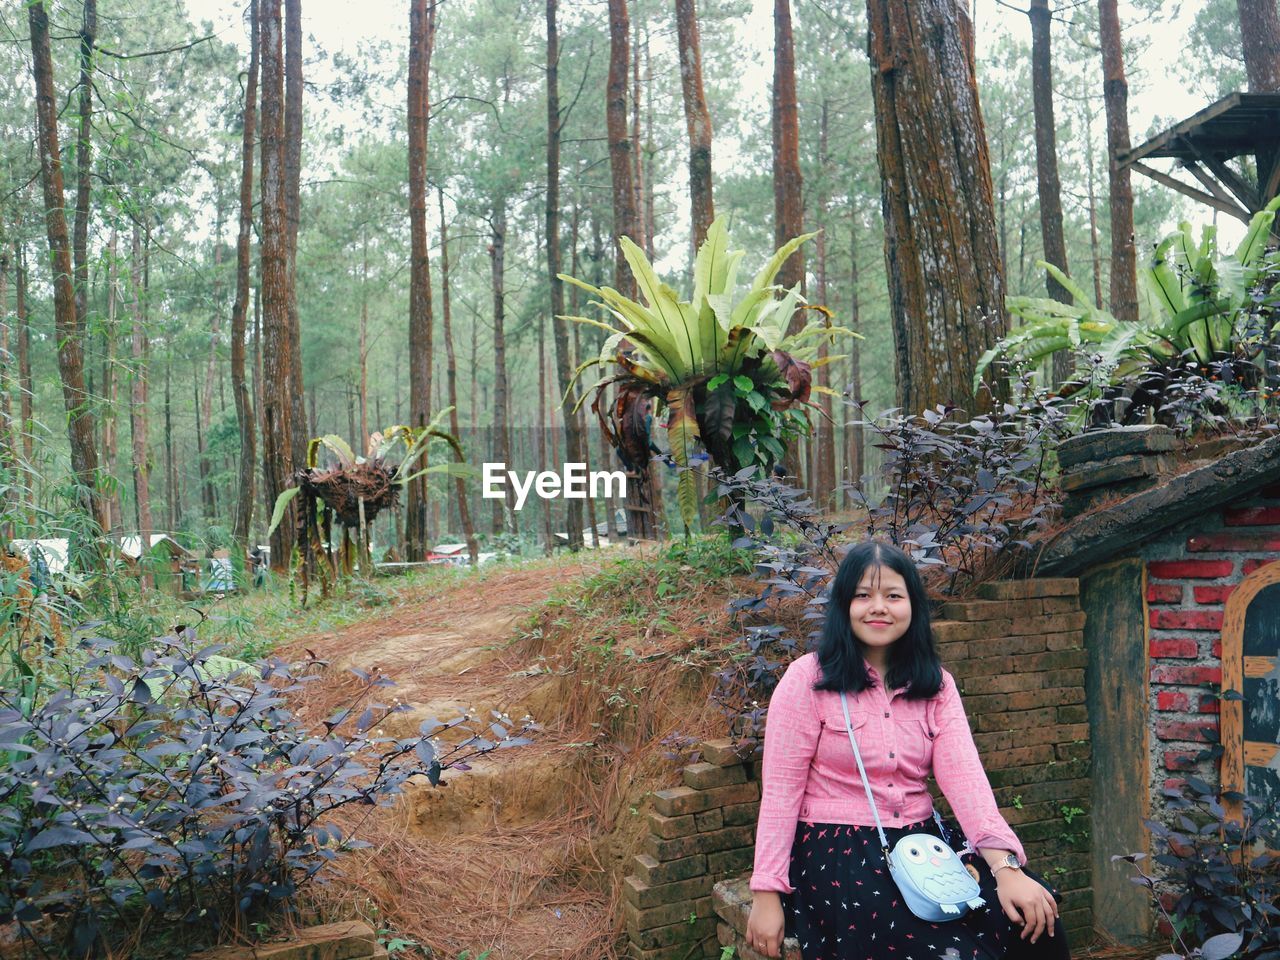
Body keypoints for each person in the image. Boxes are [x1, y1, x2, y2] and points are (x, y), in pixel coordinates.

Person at [745, 541, 1069, 960]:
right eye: (863, 595)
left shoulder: (935, 685)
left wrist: (1006, 869)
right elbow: (780, 793)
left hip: (924, 841)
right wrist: (766, 892)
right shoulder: (808, 679)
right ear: (844, 604)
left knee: (1035, 921)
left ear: (912, 605)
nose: (878, 607)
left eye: (893, 596)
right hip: (840, 855)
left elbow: (967, 782)